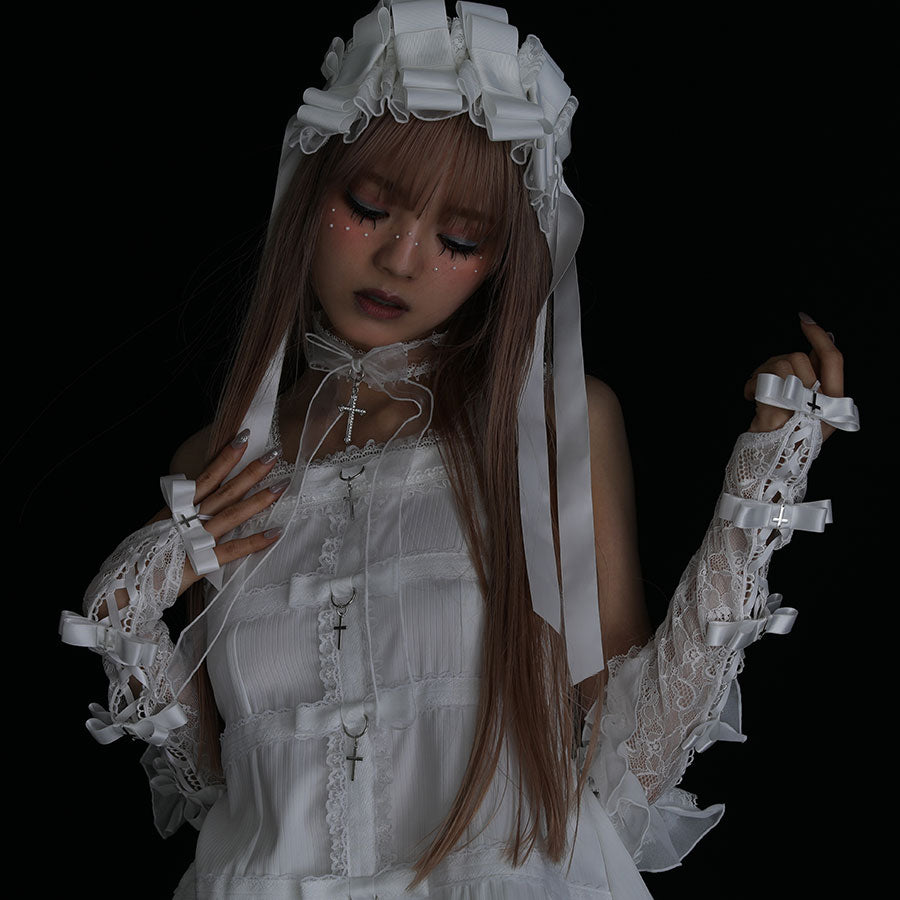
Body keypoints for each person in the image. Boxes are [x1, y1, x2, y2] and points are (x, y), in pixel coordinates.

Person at [58, 2, 860, 898]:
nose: (402, 259)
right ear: (308, 192)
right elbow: (225, 791)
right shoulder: (217, 455)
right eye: (369, 208)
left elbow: (629, 769)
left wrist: (761, 488)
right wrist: (126, 614)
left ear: (502, 256)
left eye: (459, 239)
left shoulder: (549, 424)